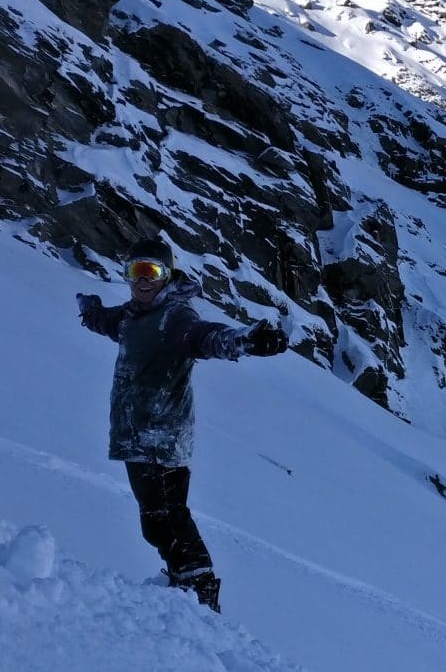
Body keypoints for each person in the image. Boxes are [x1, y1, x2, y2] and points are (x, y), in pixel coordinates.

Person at [76, 237, 288, 611]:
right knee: (157, 519)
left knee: (166, 516)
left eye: (151, 272)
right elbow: (108, 322)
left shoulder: (174, 317)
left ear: (167, 276)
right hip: (138, 434)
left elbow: (204, 337)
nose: (142, 281)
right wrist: (90, 310)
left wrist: (244, 342)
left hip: (162, 436)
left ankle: (199, 589)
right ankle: (185, 580)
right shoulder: (130, 318)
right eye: (135, 271)